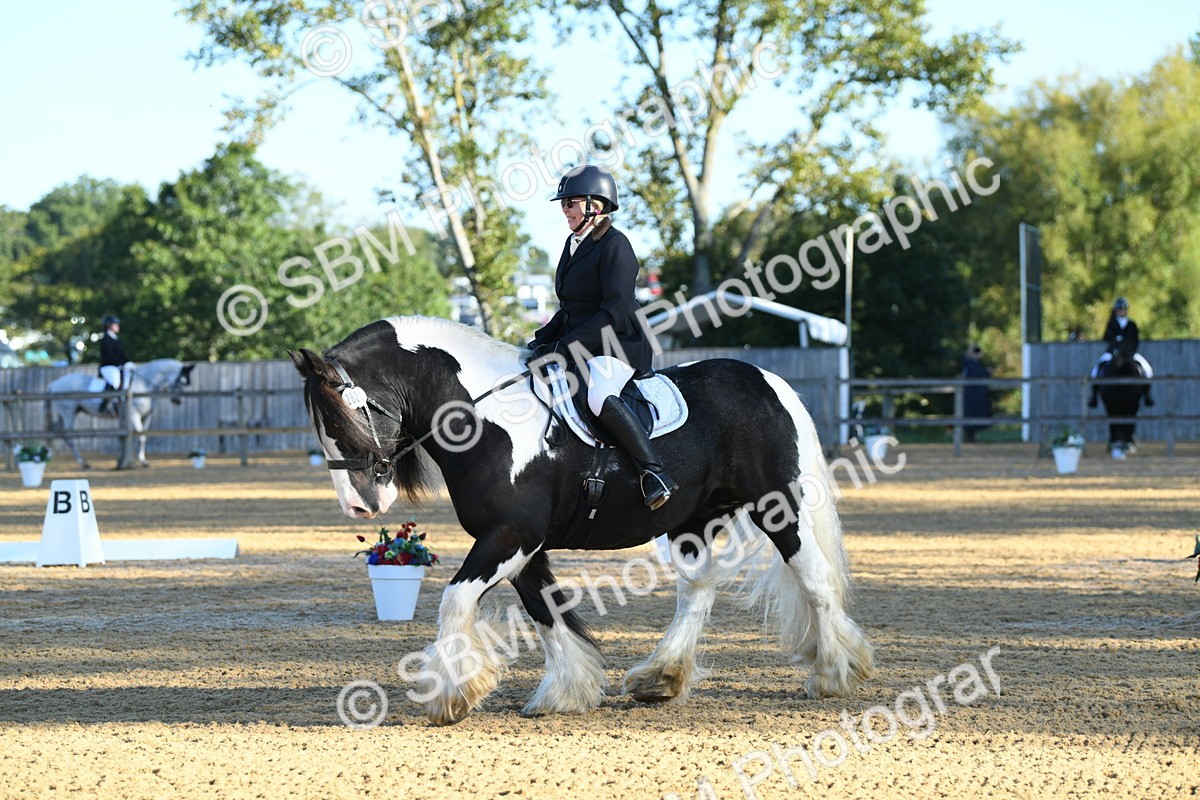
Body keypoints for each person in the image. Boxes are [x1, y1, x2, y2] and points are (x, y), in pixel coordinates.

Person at [527, 164, 678, 510]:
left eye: (571, 203)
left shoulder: (616, 245)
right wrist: (541, 339)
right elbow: (570, 308)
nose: (564, 210)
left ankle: (654, 471)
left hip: (619, 343)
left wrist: (565, 348)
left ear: (595, 205)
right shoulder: (573, 243)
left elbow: (612, 311)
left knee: (598, 394)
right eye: (563, 203)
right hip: (583, 337)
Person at [1088, 297, 1154, 407]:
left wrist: (1130, 351)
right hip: (1112, 353)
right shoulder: (1112, 324)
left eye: (1123, 309)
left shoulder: (1132, 325)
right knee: (1096, 369)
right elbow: (1107, 338)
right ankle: (1094, 395)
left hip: (1130, 354)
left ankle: (1147, 395)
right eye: (1119, 309)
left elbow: (1135, 340)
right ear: (1116, 310)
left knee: (1147, 369)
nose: (1121, 311)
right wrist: (1115, 347)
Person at [97, 315, 132, 413]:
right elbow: (110, 355)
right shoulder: (105, 339)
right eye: (115, 324)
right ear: (109, 326)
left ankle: (123, 399)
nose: (117, 326)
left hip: (117, 366)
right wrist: (120, 364)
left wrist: (127, 362)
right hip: (108, 366)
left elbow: (122, 354)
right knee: (115, 380)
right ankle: (106, 404)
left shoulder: (116, 338)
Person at [961, 344, 992, 442]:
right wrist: (986, 372)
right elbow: (976, 377)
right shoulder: (971, 364)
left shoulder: (971, 364)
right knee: (971, 413)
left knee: (972, 414)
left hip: (974, 394)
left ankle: (971, 436)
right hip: (972, 395)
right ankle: (970, 436)